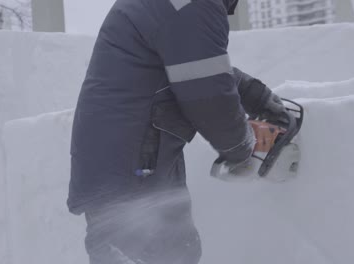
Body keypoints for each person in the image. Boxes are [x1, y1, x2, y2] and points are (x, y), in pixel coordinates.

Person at [67, 0, 285, 263]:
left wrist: (255, 94)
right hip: (135, 165)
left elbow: (194, 63)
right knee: (169, 254)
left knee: (173, 250)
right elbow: (209, 96)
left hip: (125, 158)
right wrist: (241, 146)